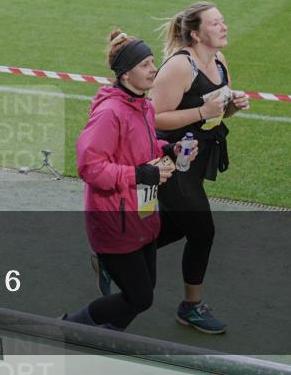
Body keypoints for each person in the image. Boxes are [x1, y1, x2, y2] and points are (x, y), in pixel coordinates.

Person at [63, 30, 196, 330]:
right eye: (145, 64)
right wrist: (139, 174)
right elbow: (90, 167)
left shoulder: (144, 106)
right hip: (115, 220)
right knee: (140, 298)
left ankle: (108, 336)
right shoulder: (110, 113)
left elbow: (142, 148)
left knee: (144, 290)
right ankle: (69, 329)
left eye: (153, 62)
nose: (154, 69)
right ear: (125, 74)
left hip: (142, 214)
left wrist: (170, 150)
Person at [150, 2, 250, 334]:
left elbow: (216, 111)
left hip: (198, 155)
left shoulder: (219, 61)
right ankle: (191, 306)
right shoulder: (180, 67)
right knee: (202, 231)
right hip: (171, 159)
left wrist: (232, 107)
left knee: (178, 226)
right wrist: (202, 112)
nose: (224, 27)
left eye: (223, 21)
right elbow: (154, 118)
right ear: (195, 34)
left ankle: (115, 255)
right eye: (216, 23)